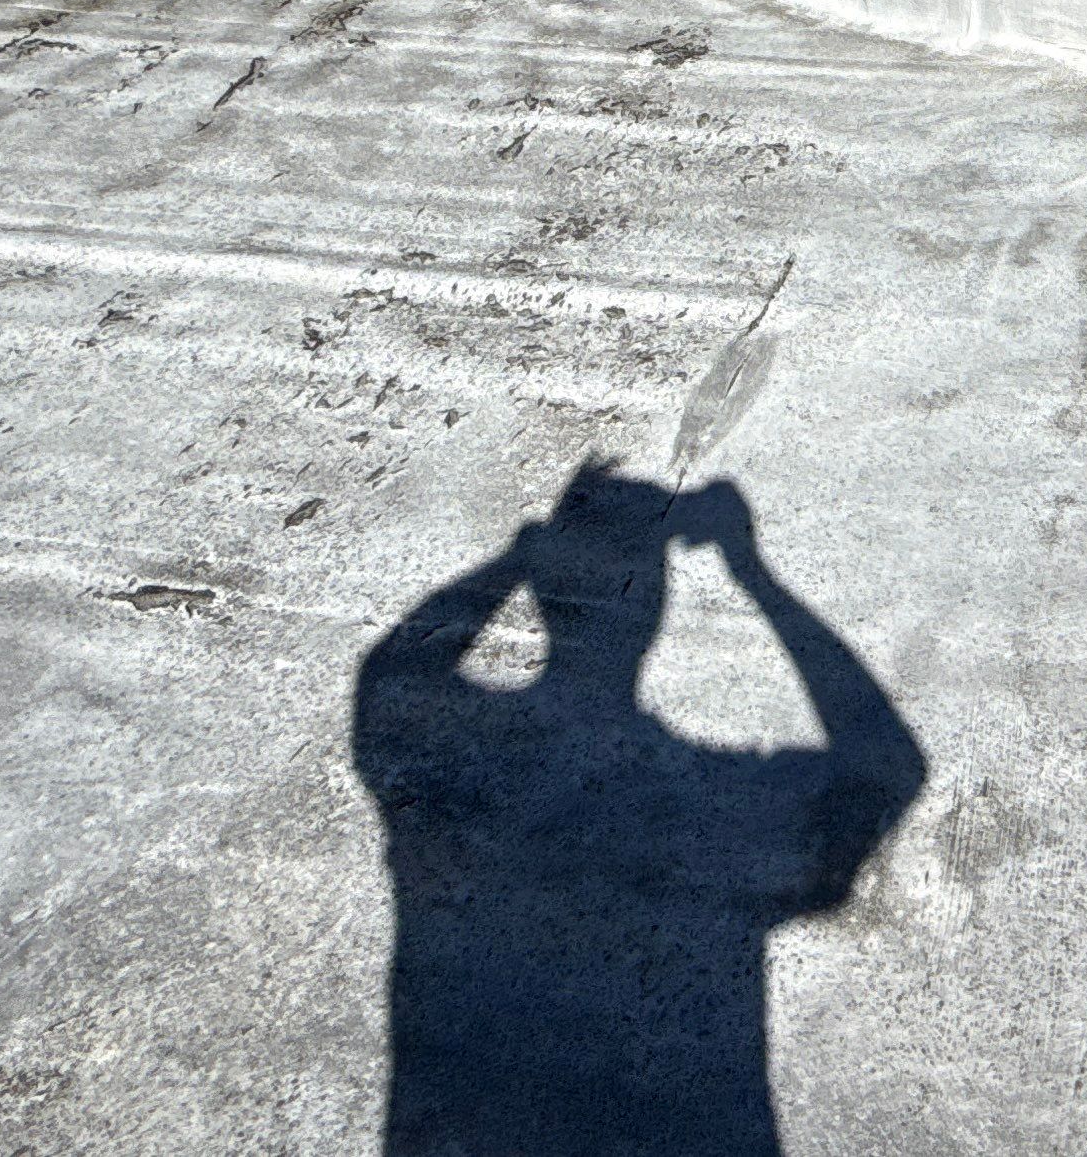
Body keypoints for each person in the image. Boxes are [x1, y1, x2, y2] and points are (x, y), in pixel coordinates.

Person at [354, 469, 924, 1154]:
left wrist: (518, 554)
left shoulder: (456, 760)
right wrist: (752, 574)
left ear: (546, 595)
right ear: (653, 609)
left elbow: (390, 674)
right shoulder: (704, 800)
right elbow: (887, 767)